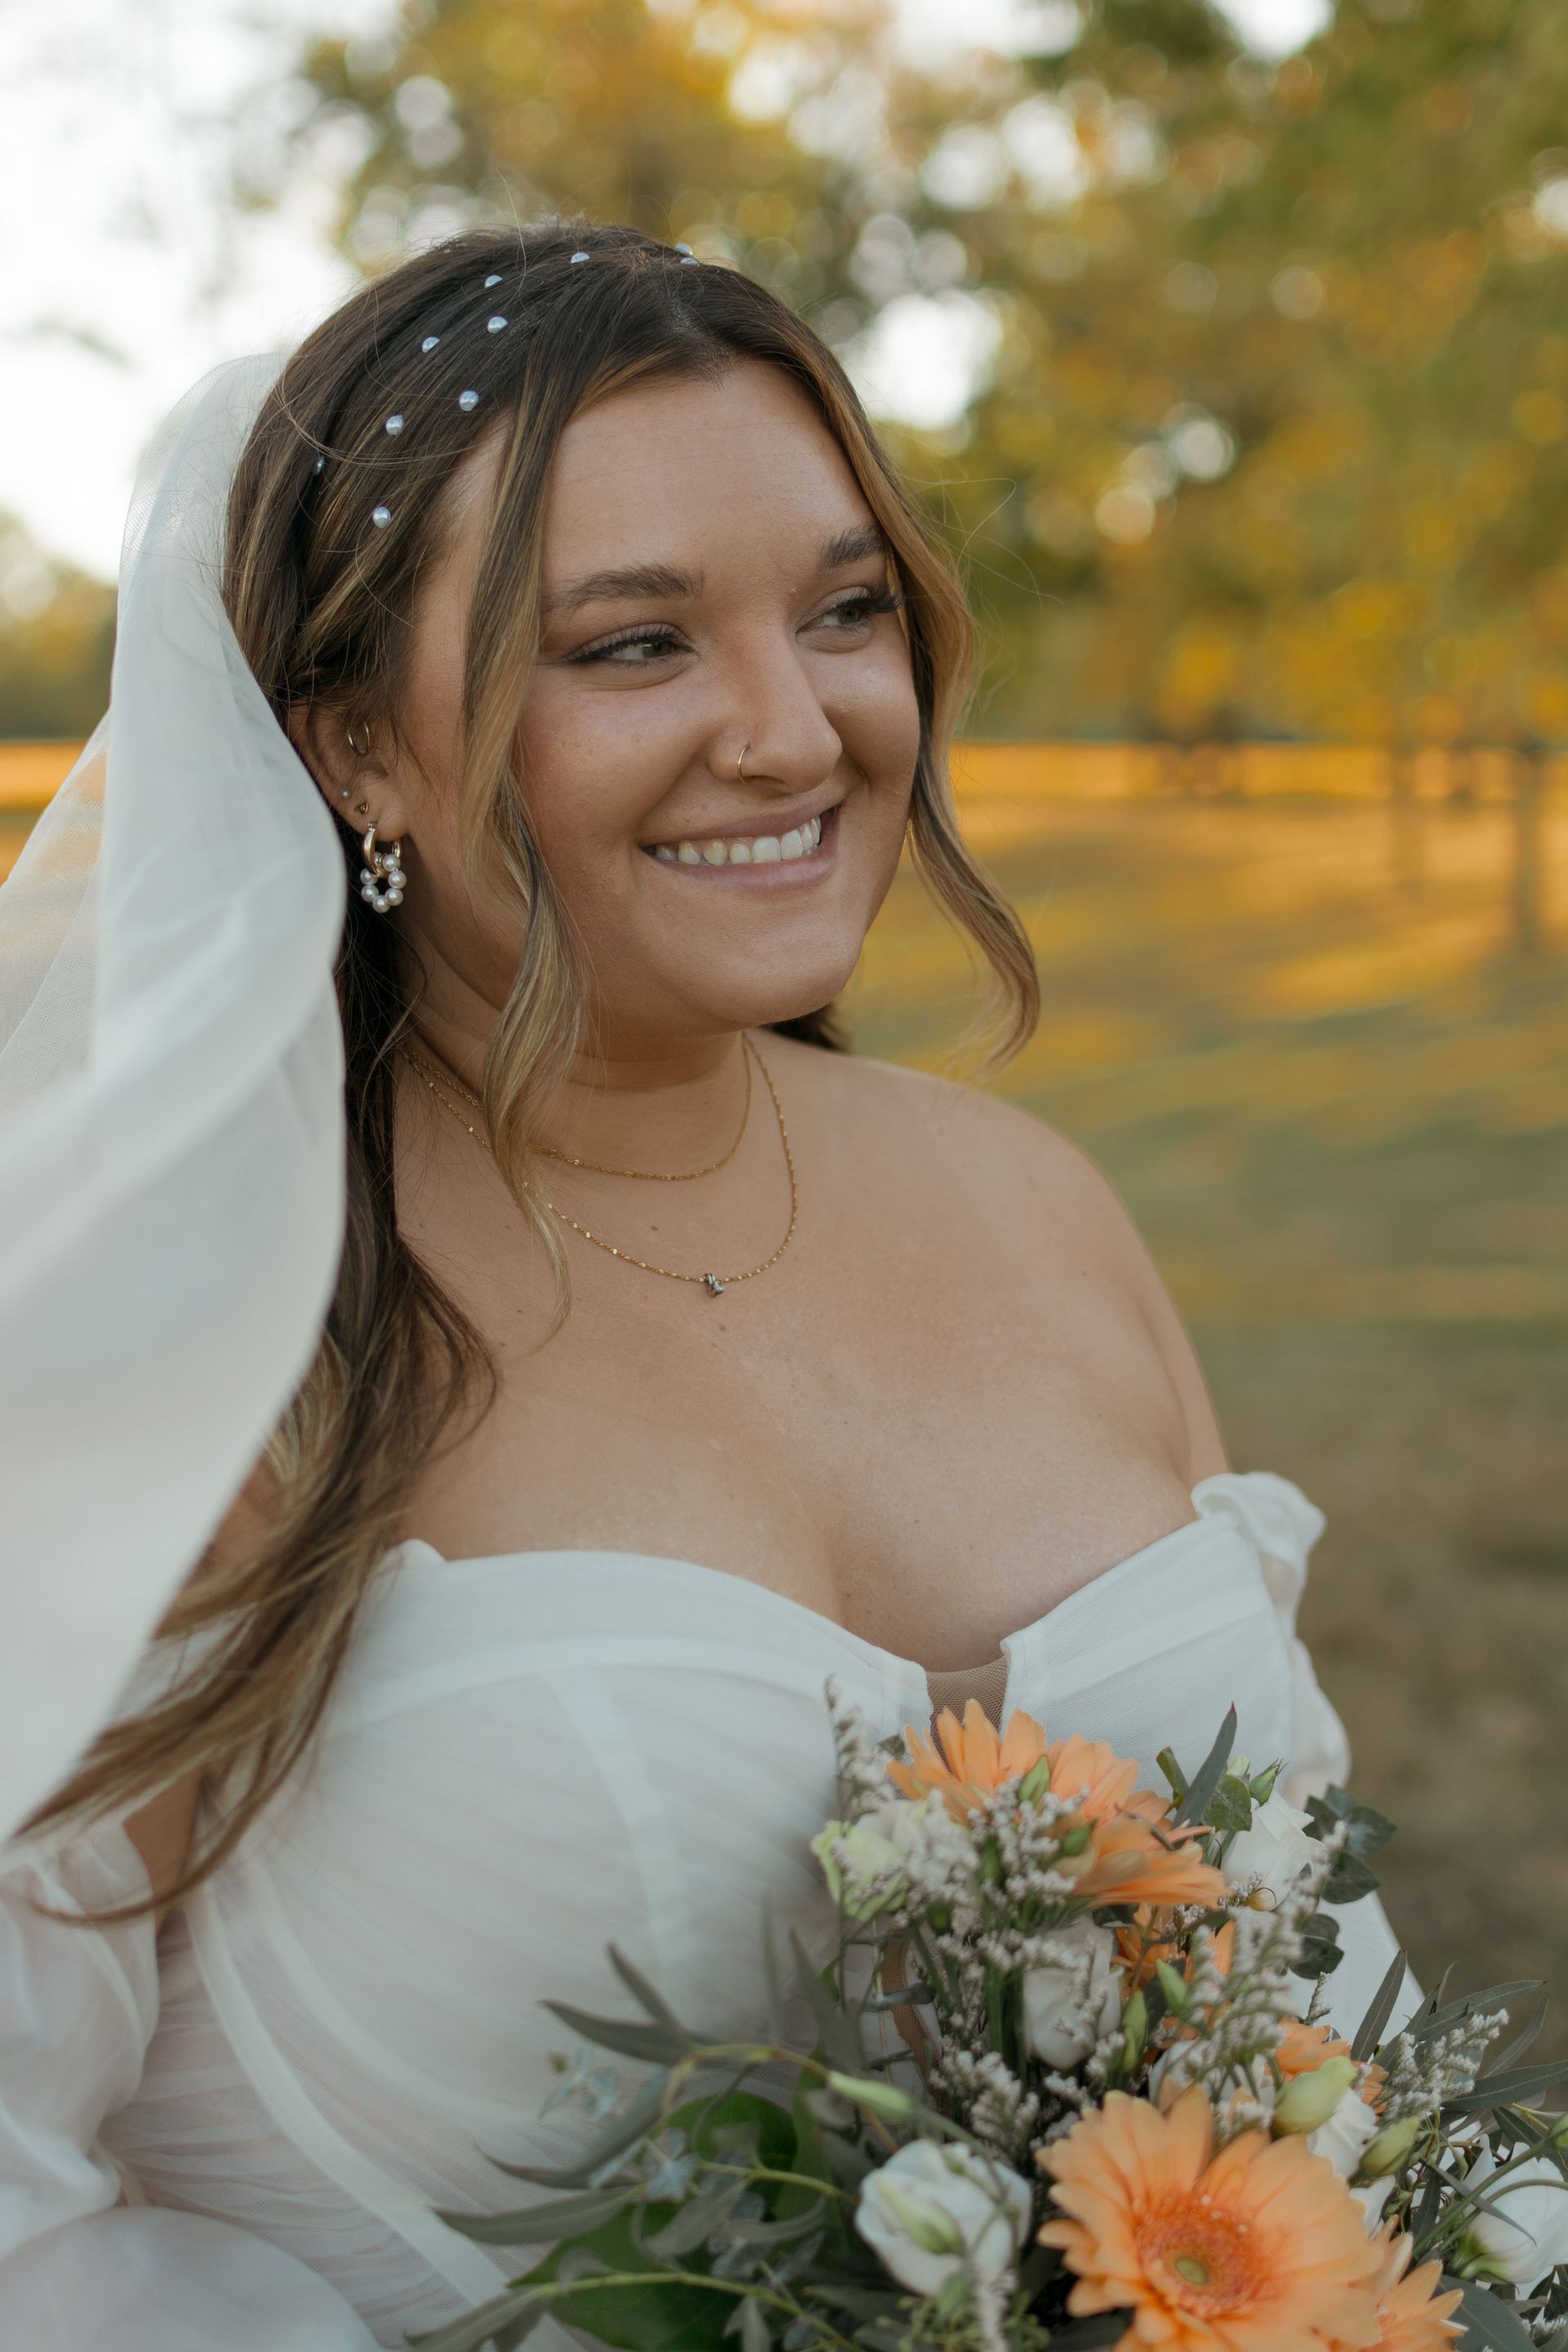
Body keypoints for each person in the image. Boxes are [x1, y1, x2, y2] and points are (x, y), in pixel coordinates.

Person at [0, 223, 1406, 2350]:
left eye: (846, 612)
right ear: (351, 749)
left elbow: (1320, 2003)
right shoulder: (187, 1309)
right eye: (632, 646)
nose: (794, 729)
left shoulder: (1038, 1208)